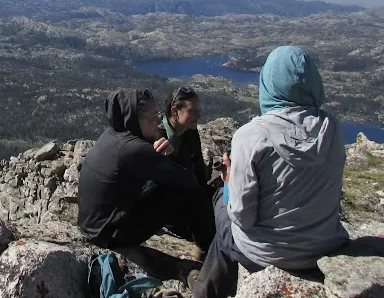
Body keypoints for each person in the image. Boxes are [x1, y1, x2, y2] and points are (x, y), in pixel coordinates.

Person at [191, 46, 349, 298]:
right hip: (326, 247)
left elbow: (242, 217)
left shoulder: (252, 135)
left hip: (267, 253)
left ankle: (205, 290)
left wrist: (230, 185)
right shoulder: (331, 128)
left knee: (220, 206)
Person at [78, 88, 215, 252]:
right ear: (134, 120)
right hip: (109, 235)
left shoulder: (113, 134)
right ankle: (208, 248)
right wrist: (168, 156)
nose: (157, 122)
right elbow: (187, 181)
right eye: (152, 118)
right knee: (183, 189)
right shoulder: (134, 149)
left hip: (93, 227)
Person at [157, 86, 215, 252]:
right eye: (193, 110)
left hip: (190, 194)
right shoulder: (157, 138)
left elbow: (197, 165)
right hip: (170, 205)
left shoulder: (190, 131)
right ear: (175, 111)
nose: (199, 116)